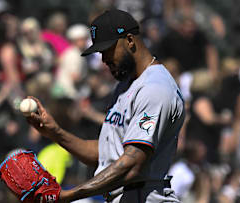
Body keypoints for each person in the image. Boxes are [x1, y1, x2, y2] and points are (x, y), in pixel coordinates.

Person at [26, 9, 185, 203]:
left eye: (108, 50)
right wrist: (55, 132)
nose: (104, 59)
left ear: (129, 40)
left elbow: (132, 164)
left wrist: (68, 195)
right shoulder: (125, 85)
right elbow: (105, 154)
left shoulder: (155, 89)